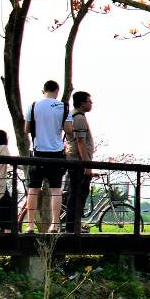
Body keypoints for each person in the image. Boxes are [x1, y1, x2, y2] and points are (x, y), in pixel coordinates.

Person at [23, 80, 69, 233]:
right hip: (56, 153)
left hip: (38, 152)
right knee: (56, 190)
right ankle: (54, 225)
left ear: (43, 90)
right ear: (57, 90)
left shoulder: (34, 105)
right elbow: (68, 130)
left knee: (33, 190)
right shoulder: (63, 107)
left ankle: (29, 225)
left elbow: (27, 128)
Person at [63, 90, 96, 233]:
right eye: (90, 101)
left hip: (75, 160)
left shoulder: (73, 115)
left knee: (75, 194)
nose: (91, 104)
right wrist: (87, 165)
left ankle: (72, 225)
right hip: (79, 162)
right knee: (78, 194)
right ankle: (73, 227)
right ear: (83, 103)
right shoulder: (79, 118)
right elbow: (81, 142)